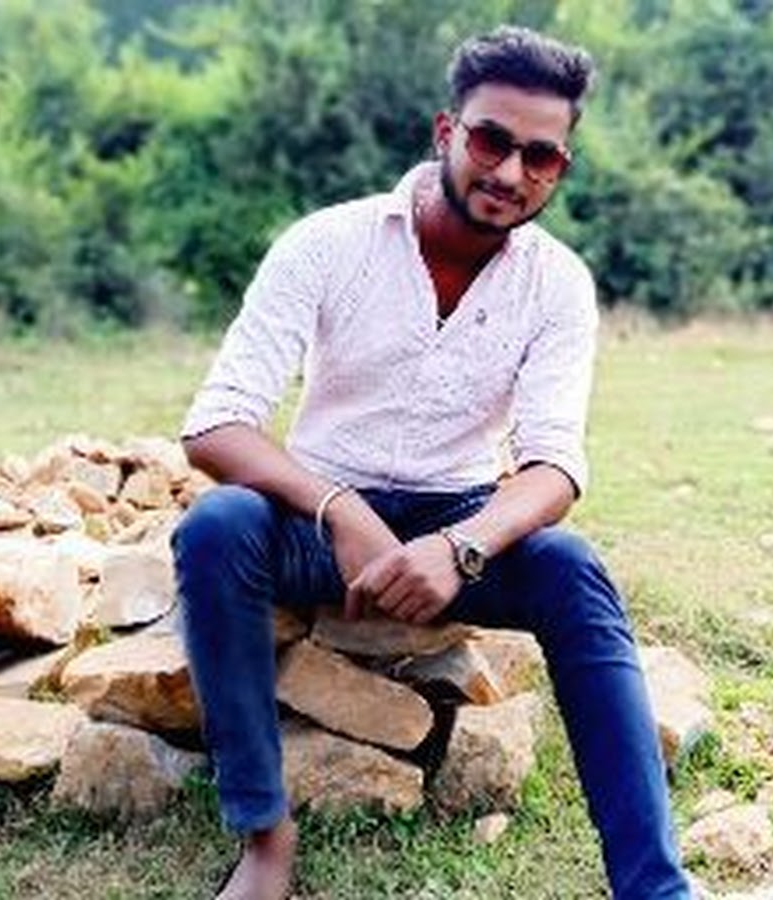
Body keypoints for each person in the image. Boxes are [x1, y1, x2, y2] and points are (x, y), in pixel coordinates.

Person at [172, 25, 692, 900]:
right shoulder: (328, 243)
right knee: (217, 527)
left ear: (560, 167)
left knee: (572, 569)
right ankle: (265, 837)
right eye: (492, 141)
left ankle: (654, 887)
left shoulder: (558, 283)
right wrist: (339, 509)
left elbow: (554, 466)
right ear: (447, 131)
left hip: (458, 524)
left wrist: (462, 547)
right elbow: (216, 424)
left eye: (540, 156)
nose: (511, 172)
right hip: (313, 525)